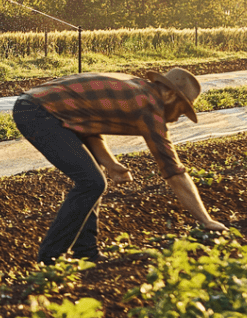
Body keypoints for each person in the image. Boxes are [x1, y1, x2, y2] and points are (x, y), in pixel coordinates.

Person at [11, 67, 225, 263]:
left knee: (94, 179)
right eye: (182, 108)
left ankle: (86, 252)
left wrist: (110, 162)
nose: (178, 118)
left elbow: (87, 120)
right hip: (37, 112)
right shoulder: (149, 107)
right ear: (169, 94)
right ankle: (50, 259)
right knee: (92, 183)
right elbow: (173, 171)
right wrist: (206, 220)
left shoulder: (137, 89)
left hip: (42, 107)